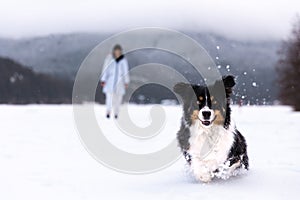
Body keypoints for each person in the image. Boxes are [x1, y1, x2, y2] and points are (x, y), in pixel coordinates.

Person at [100, 44, 129, 119]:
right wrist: (103, 79)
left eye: (119, 51)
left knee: (118, 99)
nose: (117, 52)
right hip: (110, 81)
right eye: (116, 50)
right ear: (114, 51)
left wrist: (126, 81)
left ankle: (116, 113)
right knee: (109, 98)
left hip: (120, 83)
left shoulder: (123, 60)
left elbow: (125, 72)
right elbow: (105, 70)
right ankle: (108, 112)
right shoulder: (109, 59)